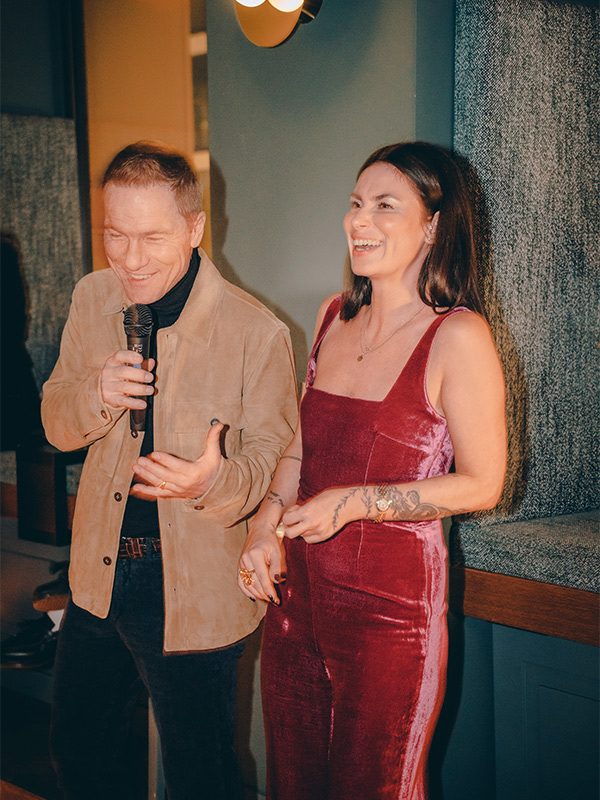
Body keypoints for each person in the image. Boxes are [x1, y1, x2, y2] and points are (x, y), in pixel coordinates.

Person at [238, 141, 507, 799]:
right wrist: (264, 524)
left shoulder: (458, 335)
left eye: (385, 205)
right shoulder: (333, 314)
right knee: (292, 783)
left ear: (433, 226)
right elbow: (300, 447)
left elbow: (484, 482)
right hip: (296, 602)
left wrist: (356, 502)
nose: (359, 220)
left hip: (392, 618)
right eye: (356, 203)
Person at [41, 141, 298, 800]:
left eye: (151, 237)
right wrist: (96, 392)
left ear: (194, 227)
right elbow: (55, 422)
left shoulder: (257, 333)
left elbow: (274, 466)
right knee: (79, 752)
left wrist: (210, 481)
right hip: (97, 573)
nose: (129, 259)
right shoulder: (92, 297)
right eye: (115, 235)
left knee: (199, 776)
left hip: (194, 587)